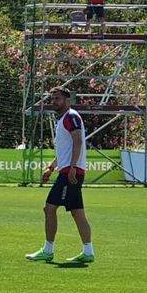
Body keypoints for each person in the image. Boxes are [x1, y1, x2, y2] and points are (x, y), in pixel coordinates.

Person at [26, 88, 95, 264]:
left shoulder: (71, 117)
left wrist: (72, 168)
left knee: (49, 208)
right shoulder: (64, 119)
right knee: (77, 213)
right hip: (69, 170)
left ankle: (48, 250)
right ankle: (88, 252)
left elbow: (79, 142)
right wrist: (51, 167)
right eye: (52, 98)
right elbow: (66, 149)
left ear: (67, 100)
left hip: (70, 173)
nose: (54, 101)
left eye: (58, 98)